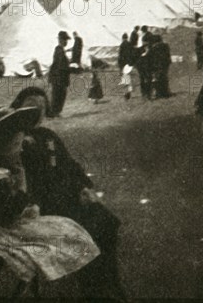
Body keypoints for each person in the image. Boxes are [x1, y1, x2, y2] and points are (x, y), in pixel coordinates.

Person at [0, 107, 100, 290]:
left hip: (4, 221)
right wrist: (22, 185)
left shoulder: (2, 171)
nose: (20, 150)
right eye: (16, 145)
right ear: (0, 149)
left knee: (66, 228)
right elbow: (8, 213)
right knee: (61, 236)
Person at [11, 89, 126, 301]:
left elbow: (71, 165)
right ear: (19, 108)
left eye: (42, 108)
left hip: (68, 198)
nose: (38, 112)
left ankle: (109, 285)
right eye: (32, 107)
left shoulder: (48, 136)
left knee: (107, 223)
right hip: (44, 206)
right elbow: (19, 183)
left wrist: (83, 186)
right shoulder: (13, 142)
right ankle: (94, 291)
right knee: (87, 233)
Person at [49, 31, 71, 117]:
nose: (66, 42)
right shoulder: (59, 50)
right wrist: (72, 69)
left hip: (58, 77)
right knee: (58, 95)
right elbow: (61, 65)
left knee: (59, 95)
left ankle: (56, 113)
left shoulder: (60, 50)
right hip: (59, 77)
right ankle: (54, 113)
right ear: (60, 40)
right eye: (65, 40)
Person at [150, 34, 172, 98]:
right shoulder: (165, 45)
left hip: (157, 65)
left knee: (158, 79)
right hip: (165, 64)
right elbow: (168, 55)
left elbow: (152, 58)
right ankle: (166, 92)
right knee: (164, 77)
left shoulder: (153, 48)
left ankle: (159, 93)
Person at [118, 34, 134, 100]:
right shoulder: (130, 44)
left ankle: (127, 94)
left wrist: (120, 66)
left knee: (125, 79)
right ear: (127, 38)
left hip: (124, 64)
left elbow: (120, 56)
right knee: (129, 78)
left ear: (122, 38)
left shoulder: (122, 45)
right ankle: (130, 91)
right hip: (130, 64)